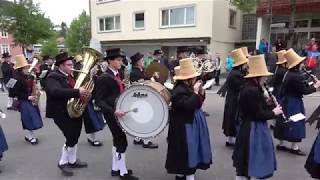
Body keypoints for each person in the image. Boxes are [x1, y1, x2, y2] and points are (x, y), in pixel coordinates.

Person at [233, 54, 282, 180]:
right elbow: (258, 114)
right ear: (258, 76)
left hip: (249, 127)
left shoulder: (252, 88)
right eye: (264, 76)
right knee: (250, 160)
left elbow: (258, 108)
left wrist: (269, 104)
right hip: (252, 129)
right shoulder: (252, 91)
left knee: (246, 162)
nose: (266, 78)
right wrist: (274, 112)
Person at [95, 48, 138, 180]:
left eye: (121, 59)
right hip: (112, 113)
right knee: (121, 142)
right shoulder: (104, 77)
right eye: (118, 60)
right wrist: (114, 111)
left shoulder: (117, 74)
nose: (121, 62)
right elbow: (99, 101)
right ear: (110, 61)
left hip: (119, 111)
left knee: (117, 140)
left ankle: (116, 168)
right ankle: (122, 172)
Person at [166, 58, 212, 180]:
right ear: (188, 79)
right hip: (183, 126)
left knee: (186, 150)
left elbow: (198, 103)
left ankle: (182, 174)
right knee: (186, 150)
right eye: (194, 77)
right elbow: (189, 105)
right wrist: (196, 92)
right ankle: (185, 174)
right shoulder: (178, 90)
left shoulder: (186, 87)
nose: (195, 79)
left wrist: (201, 92)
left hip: (189, 123)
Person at [46, 52, 89, 176]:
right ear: (61, 66)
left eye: (72, 64)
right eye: (69, 64)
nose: (72, 66)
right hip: (60, 112)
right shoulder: (53, 77)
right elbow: (56, 91)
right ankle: (63, 162)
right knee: (70, 136)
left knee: (75, 136)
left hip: (73, 111)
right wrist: (77, 92)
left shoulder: (70, 76)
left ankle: (73, 160)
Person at [278, 48, 320, 156]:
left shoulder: (289, 73)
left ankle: (281, 143)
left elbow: (300, 86)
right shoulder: (295, 76)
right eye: (301, 63)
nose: (303, 64)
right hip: (294, 102)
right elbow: (304, 91)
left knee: (285, 122)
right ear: (297, 64)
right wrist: (316, 86)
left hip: (287, 100)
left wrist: (310, 83)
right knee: (296, 123)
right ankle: (294, 147)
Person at [10, 55, 43, 145]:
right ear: (20, 68)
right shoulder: (15, 78)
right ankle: (30, 136)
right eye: (26, 67)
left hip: (30, 99)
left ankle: (29, 135)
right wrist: (26, 97)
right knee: (28, 118)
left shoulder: (26, 76)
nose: (28, 68)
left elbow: (31, 85)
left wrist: (34, 80)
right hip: (24, 101)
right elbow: (12, 93)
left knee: (32, 118)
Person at [129, 52, 159, 149]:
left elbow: (147, 78)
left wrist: (153, 76)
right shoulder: (135, 73)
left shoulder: (140, 70)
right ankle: (146, 141)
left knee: (141, 119)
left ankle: (137, 139)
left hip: (142, 98)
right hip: (140, 98)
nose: (144, 62)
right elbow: (141, 84)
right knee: (146, 119)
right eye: (142, 60)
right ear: (137, 62)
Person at [222, 48, 249, 147]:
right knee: (234, 118)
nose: (247, 65)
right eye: (245, 64)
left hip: (232, 98)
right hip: (234, 99)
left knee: (231, 118)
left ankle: (231, 140)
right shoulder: (237, 74)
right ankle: (232, 139)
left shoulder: (235, 72)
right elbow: (242, 86)